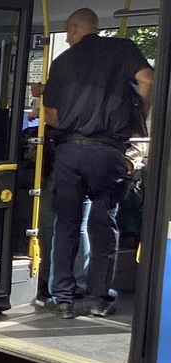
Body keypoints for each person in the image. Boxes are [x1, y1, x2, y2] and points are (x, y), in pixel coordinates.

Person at [41, 8, 153, 319]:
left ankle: (63, 298)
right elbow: (147, 80)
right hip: (109, 152)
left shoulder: (63, 61)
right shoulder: (123, 49)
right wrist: (138, 116)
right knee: (104, 225)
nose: (67, 39)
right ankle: (97, 299)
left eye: (68, 32)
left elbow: (52, 115)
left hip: (70, 151)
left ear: (75, 29)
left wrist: (71, 122)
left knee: (67, 225)